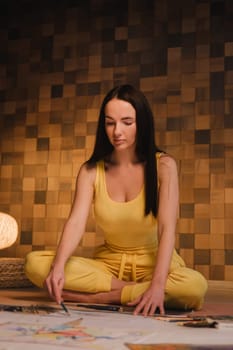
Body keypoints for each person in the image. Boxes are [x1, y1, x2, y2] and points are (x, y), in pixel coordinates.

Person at [25, 84, 208, 316]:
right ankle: (134, 292)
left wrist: (159, 284)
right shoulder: (91, 170)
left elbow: (167, 229)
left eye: (127, 122)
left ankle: (103, 297)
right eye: (110, 122)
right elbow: (75, 223)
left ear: (142, 123)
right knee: (34, 264)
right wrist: (58, 267)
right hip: (107, 269)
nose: (117, 131)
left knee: (193, 286)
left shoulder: (164, 166)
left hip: (154, 265)